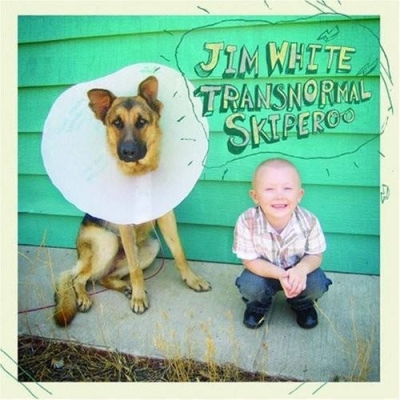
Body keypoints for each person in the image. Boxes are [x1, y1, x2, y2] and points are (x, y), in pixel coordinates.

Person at [233, 158, 332, 329]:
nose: (279, 195)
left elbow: (315, 255)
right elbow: (249, 260)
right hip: (263, 273)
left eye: (287, 188)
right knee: (250, 285)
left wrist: (301, 269)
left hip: (298, 273)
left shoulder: (309, 221)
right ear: (255, 196)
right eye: (269, 189)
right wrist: (280, 274)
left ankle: (302, 305)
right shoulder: (246, 221)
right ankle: (257, 307)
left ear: (299, 194)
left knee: (317, 283)